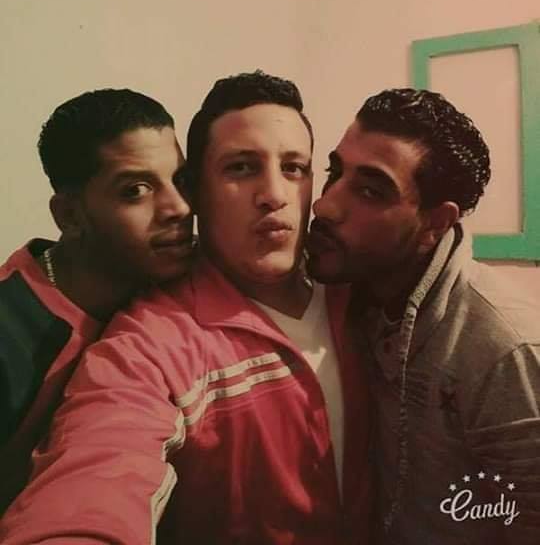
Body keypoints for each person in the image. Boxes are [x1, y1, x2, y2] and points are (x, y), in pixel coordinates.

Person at [0, 71, 372, 545]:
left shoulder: (355, 289)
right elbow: (99, 474)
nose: (177, 208)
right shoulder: (141, 342)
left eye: (294, 167)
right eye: (241, 167)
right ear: (70, 216)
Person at [306, 87, 540, 544]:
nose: (324, 205)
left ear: (434, 224)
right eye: (334, 172)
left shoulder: (504, 349)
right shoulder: (348, 292)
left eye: (370, 191)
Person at [0, 88, 193, 513]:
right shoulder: (10, 334)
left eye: (180, 180)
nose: (179, 208)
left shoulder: (178, 283)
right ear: (70, 216)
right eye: (136, 190)